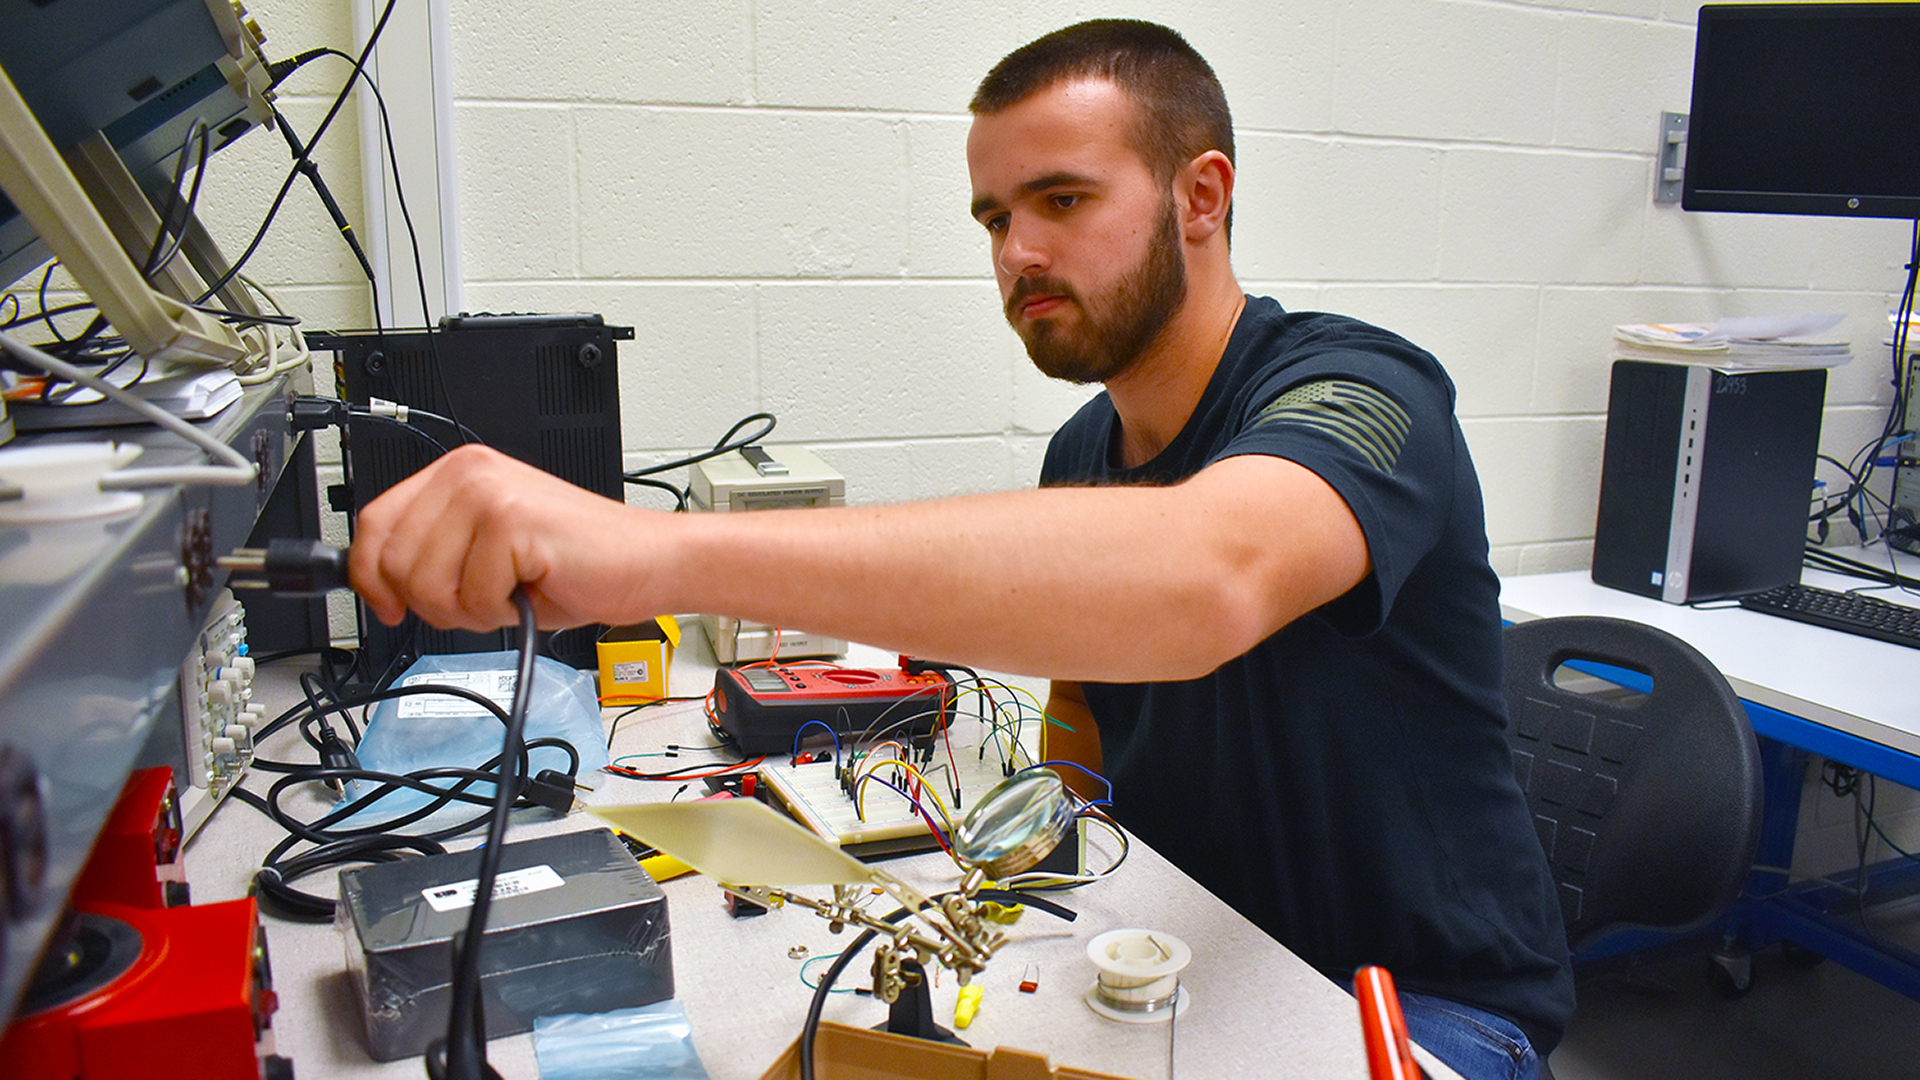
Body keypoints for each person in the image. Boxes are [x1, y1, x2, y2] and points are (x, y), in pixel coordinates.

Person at [350, 19, 1572, 1080]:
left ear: (1203, 196)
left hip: (1419, 1014)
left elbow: (1207, 575)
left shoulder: (1367, 391)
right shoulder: (1086, 445)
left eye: (1063, 200)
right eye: (994, 216)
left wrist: (651, 553)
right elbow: (1086, 717)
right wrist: (1022, 876)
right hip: (1191, 962)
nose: (1016, 254)